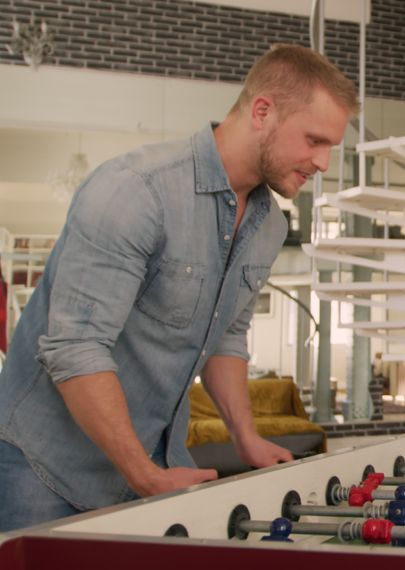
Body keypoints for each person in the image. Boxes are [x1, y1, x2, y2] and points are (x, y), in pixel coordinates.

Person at [0, 43, 357, 531]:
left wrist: (245, 438)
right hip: (44, 469)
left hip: (152, 465)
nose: (323, 163)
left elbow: (225, 338)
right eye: (315, 140)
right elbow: (75, 348)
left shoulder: (268, 225)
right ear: (262, 112)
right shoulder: (135, 191)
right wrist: (144, 474)